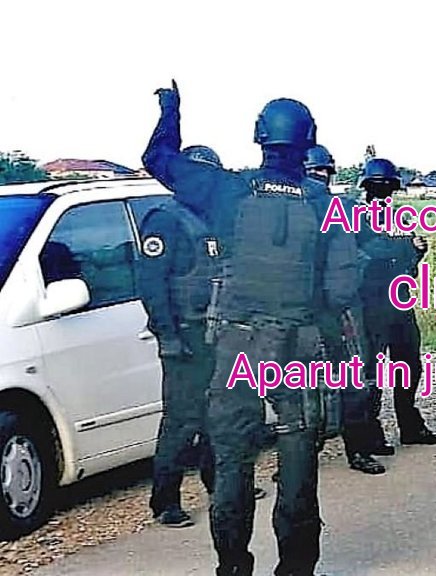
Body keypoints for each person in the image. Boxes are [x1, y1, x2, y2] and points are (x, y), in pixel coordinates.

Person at [142, 79, 361, 576]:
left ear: (259, 137)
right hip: (300, 348)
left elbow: (157, 158)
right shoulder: (327, 204)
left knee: (232, 466)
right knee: (298, 469)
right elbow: (343, 288)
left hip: (237, 346)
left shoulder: (227, 189)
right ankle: (296, 568)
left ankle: (234, 568)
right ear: (309, 140)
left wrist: (171, 110)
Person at [137, 147, 220, 527]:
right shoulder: (165, 220)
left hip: (216, 334)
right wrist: (167, 336)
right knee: (182, 422)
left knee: (219, 416)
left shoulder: (212, 217)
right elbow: (152, 285)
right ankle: (165, 501)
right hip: (185, 336)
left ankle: (220, 485)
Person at [303, 144, 384, 475]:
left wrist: (356, 268)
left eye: (323, 171)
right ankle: (301, 457)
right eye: (313, 172)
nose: (319, 177)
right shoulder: (289, 207)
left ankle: (358, 451)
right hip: (306, 311)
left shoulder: (345, 209)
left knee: (354, 384)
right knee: (306, 388)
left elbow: (372, 242)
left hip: (342, 307)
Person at [357, 157, 436, 458]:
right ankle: (370, 432)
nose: (383, 192)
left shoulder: (400, 219)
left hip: (400, 301)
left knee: (409, 366)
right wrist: (402, 248)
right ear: (366, 188)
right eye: (377, 186)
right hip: (370, 304)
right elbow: (367, 255)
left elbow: (407, 261)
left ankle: (410, 426)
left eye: (388, 187)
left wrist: (417, 251)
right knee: (371, 371)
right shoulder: (357, 219)